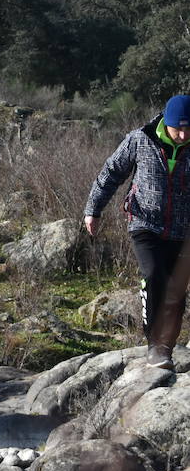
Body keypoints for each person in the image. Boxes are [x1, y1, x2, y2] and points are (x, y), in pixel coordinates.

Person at [85, 94, 190, 370]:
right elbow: (111, 172)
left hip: (183, 231)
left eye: (188, 128)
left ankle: (166, 348)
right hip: (145, 223)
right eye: (177, 128)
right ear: (165, 124)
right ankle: (154, 346)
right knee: (155, 275)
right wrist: (93, 209)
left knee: (176, 290)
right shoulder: (140, 139)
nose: (182, 134)